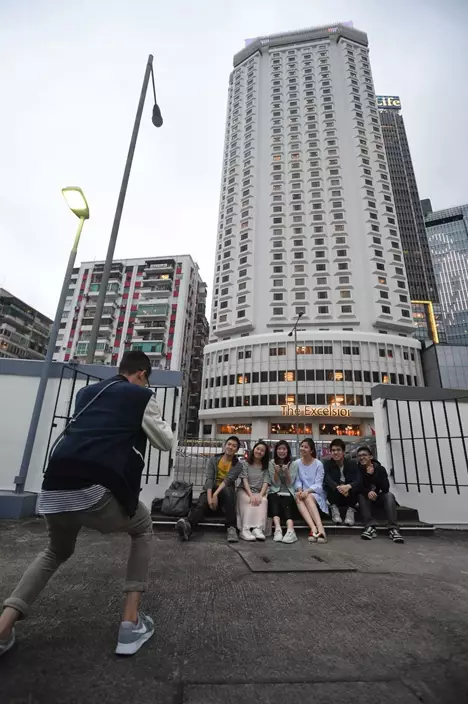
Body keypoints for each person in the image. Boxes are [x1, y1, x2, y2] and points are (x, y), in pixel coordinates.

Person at [0, 351, 174, 658]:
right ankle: (130, 623)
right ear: (142, 374)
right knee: (143, 527)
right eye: (146, 380)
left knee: (55, 551)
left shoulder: (87, 393)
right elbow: (165, 442)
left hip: (53, 488)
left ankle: (3, 628)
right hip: (95, 490)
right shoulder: (141, 395)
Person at [176, 436, 242, 543]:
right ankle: (187, 526)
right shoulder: (214, 459)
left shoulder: (238, 465)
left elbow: (228, 480)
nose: (230, 447)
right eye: (229, 444)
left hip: (225, 491)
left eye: (234, 446)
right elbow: (209, 479)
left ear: (237, 450)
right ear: (225, 445)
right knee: (202, 502)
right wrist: (210, 498)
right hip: (212, 489)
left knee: (227, 491)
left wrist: (215, 495)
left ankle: (231, 527)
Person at [357, 445, 404, 543]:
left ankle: (393, 528)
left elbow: (386, 488)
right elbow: (358, 486)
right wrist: (368, 492)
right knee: (361, 495)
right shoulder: (357, 470)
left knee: (389, 495)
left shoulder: (380, 469)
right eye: (360, 456)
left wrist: (373, 475)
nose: (362, 457)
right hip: (366, 498)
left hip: (378, 497)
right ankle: (370, 527)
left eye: (364, 455)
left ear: (371, 457)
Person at [293, 439, 328, 543]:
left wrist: (307, 491)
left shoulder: (318, 464)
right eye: (301, 446)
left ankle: (321, 529)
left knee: (308, 497)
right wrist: (300, 490)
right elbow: (297, 480)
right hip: (303, 492)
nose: (302, 449)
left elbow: (318, 484)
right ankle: (313, 528)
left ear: (311, 450)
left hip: (316, 493)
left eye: (306, 447)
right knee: (298, 497)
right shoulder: (296, 463)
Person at [237, 441, 270, 541]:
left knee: (263, 501)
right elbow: (245, 480)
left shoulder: (265, 467)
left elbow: (266, 482)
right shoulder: (245, 464)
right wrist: (251, 495)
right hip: (244, 490)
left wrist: (261, 495)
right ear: (254, 449)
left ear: (265, 453)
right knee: (248, 500)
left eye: (262, 450)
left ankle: (258, 529)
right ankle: (245, 529)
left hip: (258, 491)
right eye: (257, 449)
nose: (259, 451)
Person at [323, 438, 361, 526]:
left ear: (343, 451)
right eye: (333, 450)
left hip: (349, 495)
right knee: (328, 486)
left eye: (338, 450)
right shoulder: (327, 464)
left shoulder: (352, 463)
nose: (335, 452)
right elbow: (326, 478)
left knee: (356, 487)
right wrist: (338, 487)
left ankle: (350, 511)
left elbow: (358, 479)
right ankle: (334, 509)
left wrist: (348, 486)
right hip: (335, 494)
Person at [268, 440, 298, 544]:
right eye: (279, 449)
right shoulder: (271, 463)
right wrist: (276, 472)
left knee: (286, 502)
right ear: (276, 451)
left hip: (288, 491)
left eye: (284, 449)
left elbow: (290, 484)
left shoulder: (293, 464)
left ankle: (290, 530)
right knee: (274, 498)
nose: (281, 451)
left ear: (288, 451)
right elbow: (276, 484)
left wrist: (286, 472)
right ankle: (278, 529)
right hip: (275, 490)